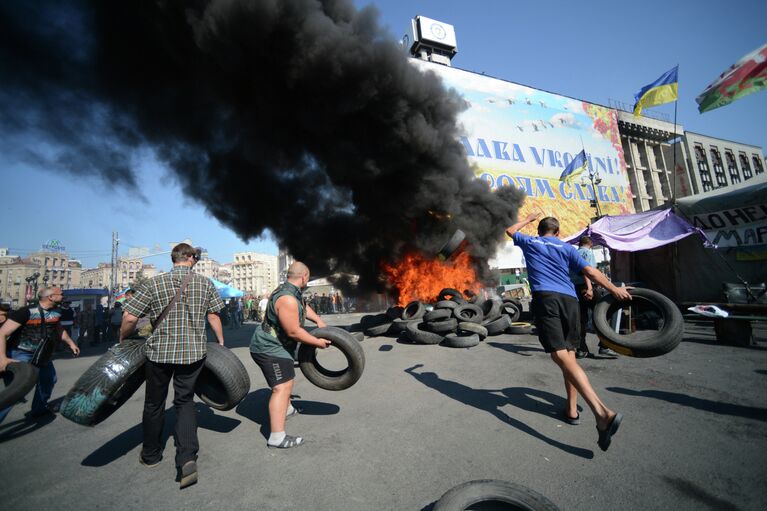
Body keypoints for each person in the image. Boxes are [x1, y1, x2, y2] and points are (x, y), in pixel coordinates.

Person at [506, 214, 631, 452]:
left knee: (559, 355)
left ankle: (602, 413)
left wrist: (529, 218)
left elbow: (510, 229)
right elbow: (592, 273)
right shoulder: (566, 247)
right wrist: (614, 289)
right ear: (558, 231)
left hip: (547, 299)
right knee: (570, 355)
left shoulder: (531, 242)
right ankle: (572, 410)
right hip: (570, 301)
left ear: (540, 229)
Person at [120, 243, 225, 489]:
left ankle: (151, 455)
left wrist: (123, 339)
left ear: (173, 259)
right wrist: (220, 342)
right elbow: (213, 316)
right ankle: (187, 458)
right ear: (189, 258)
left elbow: (130, 317)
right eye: (195, 257)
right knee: (185, 402)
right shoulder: (204, 283)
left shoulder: (154, 283)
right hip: (193, 353)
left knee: (154, 403)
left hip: (159, 354)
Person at [249, 261, 330, 449]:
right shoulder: (287, 299)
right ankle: (277, 437)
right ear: (304, 277)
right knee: (281, 388)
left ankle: (286, 409)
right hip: (268, 348)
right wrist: (318, 342)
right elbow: (293, 331)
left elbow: (303, 306)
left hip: (280, 347)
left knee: (288, 380)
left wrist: (318, 320)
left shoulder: (292, 291)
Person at [0, 287, 81, 423]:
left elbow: (59, 330)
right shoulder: (25, 312)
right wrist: (2, 358)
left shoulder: (56, 312)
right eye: (61, 294)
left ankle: (39, 409)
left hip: (43, 354)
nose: (63, 296)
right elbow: (2, 333)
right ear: (51, 297)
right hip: (21, 353)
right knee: (17, 390)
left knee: (48, 379)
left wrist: (71, 344)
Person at [570, 236, 618, 359]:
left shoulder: (573, 253)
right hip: (587, 287)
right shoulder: (587, 253)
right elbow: (587, 271)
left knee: (581, 320)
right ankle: (604, 346)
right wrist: (590, 288)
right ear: (590, 243)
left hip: (575, 289)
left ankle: (581, 350)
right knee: (603, 314)